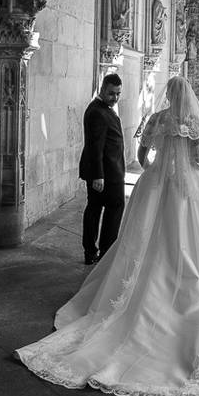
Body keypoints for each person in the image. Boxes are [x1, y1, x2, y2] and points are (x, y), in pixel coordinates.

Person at [16, 76, 199, 396]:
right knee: (189, 242)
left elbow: (141, 151)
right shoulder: (192, 120)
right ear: (188, 97)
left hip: (155, 185)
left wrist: (156, 167)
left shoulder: (157, 119)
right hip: (185, 189)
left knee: (143, 240)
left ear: (169, 95)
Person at [78, 74, 125, 265]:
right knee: (113, 209)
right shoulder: (97, 112)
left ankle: (92, 252)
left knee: (95, 209)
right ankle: (104, 253)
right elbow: (94, 145)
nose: (115, 98)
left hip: (106, 172)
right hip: (106, 174)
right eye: (111, 93)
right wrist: (98, 175)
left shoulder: (102, 108)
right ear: (102, 89)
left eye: (118, 94)